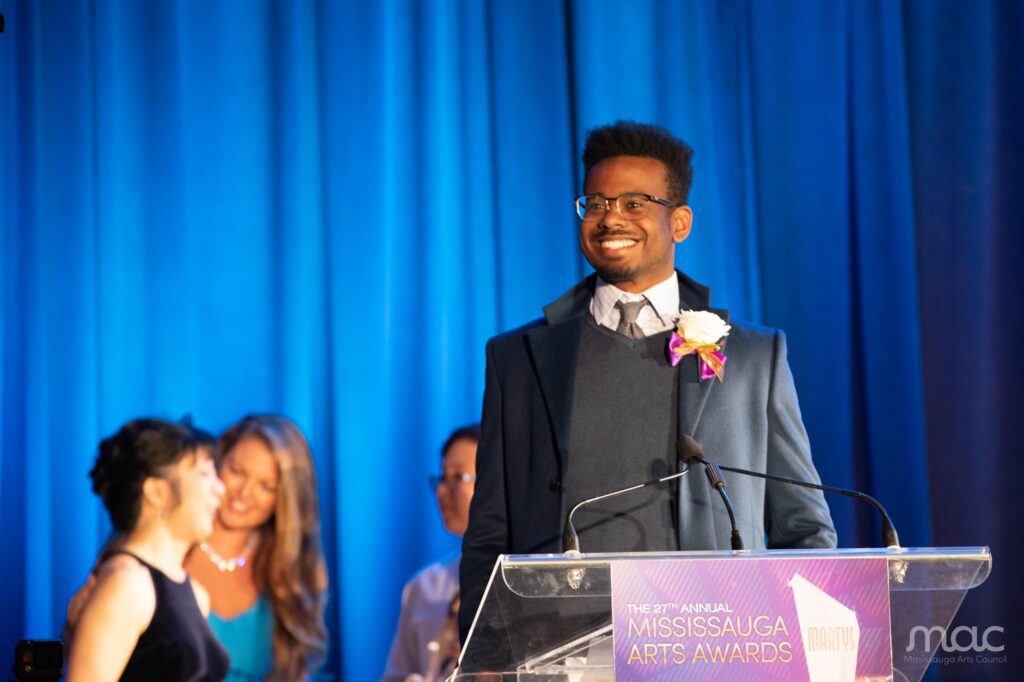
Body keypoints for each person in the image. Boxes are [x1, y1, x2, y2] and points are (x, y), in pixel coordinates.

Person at [459, 121, 837, 641]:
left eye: (634, 203)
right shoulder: (518, 357)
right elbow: (489, 533)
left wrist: (808, 644)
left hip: (716, 648)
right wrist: (486, 650)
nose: (610, 217)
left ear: (679, 222)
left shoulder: (753, 356)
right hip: (560, 651)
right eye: (595, 203)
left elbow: (805, 528)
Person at [65, 418, 229, 682]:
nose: (220, 490)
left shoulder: (196, 594)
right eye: (204, 475)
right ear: (157, 492)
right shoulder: (127, 586)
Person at [184, 415, 329, 682]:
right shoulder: (168, 547)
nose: (244, 494)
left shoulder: (295, 573)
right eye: (237, 472)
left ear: (285, 499)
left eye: (266, 486)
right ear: (215, 463)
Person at [382, 425, 479, 682]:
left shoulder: (524, 581)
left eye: (458, 477)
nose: (441, 491)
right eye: (442, 477)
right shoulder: (425, 585)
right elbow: (395, 675)